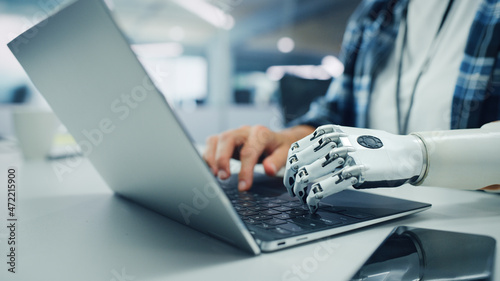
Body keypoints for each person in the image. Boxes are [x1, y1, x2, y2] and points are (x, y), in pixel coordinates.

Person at [203, 0, 500, 198]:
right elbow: (338, 112)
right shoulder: (374, 14)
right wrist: (289, 139)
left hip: (473, 229)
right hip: (374, 219)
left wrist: (412, 155)